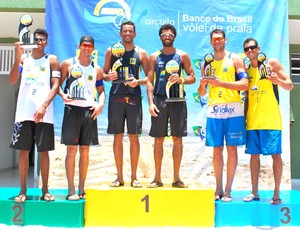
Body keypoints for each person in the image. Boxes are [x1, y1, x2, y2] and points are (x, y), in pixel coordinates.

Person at [9, 28, 60, 203]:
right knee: (24, 151)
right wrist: (17, 57)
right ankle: (22, 190)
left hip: (44, 114)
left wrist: (44, 106)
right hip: (24, 113)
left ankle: (45, 190)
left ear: (46, 42)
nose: (39, 42)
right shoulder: (24, 59)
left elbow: (55, 86)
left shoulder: (51, 60)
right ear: (32, 40)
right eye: (36, 39)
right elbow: (12, 79)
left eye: (42, 39)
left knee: (44, 151)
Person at [198, 29, 248, 201]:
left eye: (219, 38)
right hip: (214, 110)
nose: (217, 41)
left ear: (225, 40)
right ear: (211, 41)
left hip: (233, 109)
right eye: (214, 39)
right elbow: (202, 93)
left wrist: (222, 83)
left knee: (232, 149)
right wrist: (202, 84)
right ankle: (218, 188)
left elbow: (245, 84)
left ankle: (228, 190)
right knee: (217, 149)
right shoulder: (207, 63)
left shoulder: (235, 58)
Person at [242, 38, 293, 204]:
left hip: (271, 120)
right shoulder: (247, 69)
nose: (250, 51)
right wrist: (245, 118)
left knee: (276, 156)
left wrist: (277, 81)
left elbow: (290, 85)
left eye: (252, 48)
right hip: (253, 120)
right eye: (247, 49)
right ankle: (254, 192)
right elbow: (247, 96)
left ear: (258, 48)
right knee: (254, 157)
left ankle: (276, 193)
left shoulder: (271, 63)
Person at [147, 24, 195, 188]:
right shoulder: (154, 57)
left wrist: (181, 80)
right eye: (164, 34)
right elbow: (149, 81)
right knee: (158, 139)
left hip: (178, 100)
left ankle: (176, 178)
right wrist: (151, 103)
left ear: (174, 36)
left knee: (177, 139)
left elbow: (192, 78)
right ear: (160, 37)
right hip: (160, 100)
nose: (167, 36)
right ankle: (157, 178)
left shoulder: (182, 56)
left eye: (170, 34)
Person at [103, 21, 149, 188]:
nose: (127, 33)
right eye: (125, 31)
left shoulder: (141, 53)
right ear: (120, 33)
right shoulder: (111, 51)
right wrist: (109, 77)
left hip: (134, 98)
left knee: (133, 136)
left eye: (130, 31)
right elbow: (103, 73)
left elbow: (150, 77)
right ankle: (119, 177)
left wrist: (138, 82)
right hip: (116, 97)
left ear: (135, 34)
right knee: (117, 136)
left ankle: (134, 177)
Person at [59, 36, 105, 200]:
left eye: (90, 46)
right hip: (72, 110)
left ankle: (81, 188)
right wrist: (63, 95)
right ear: (79, 46)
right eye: (84, 45)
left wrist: (100, 105)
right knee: (71, 150)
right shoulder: (68, 63)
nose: (87, 48)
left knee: (85, 151)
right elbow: (56, 83)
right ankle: (70, 190)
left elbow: (101, 92)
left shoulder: (96, 69)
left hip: (89, 111)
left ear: (93, 48)